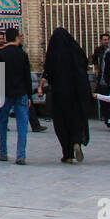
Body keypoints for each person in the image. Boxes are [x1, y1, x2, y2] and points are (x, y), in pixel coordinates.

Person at [43, 27, 91, 164]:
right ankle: (77, 141)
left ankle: (67, 154)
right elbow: (85, 65)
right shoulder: (75, 50)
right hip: (77, 93)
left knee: (61, 123)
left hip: (59, 94)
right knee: (76, 118)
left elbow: (48, 71)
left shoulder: (53, 53)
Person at [0, 27, 32, 165]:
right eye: (20, 36)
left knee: (2, 122)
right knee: (22, 125)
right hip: (21, 93)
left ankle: (3, 153)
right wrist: (29, 96)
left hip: (5, 93)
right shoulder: (23, 55)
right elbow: (27, 77)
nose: (21, 38)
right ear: (15, 38)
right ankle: (21, 155)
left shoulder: (1, 54)